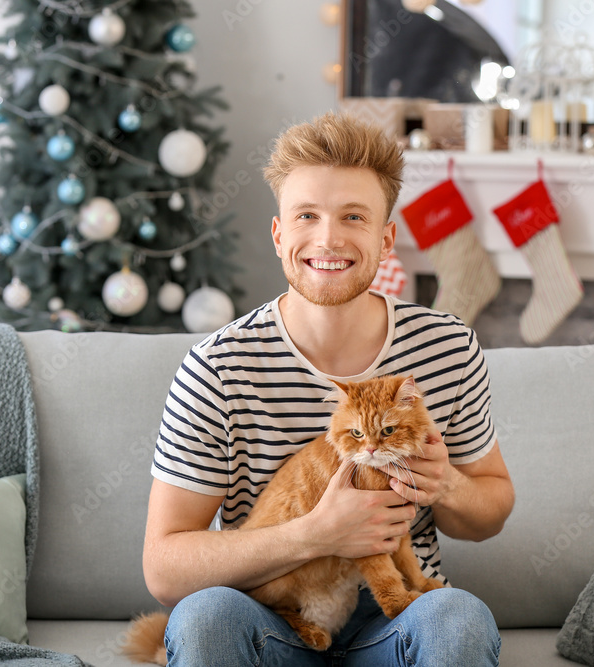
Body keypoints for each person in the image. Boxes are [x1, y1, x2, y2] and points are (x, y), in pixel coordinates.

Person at [142, 112, 515, 666]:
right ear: (279, 234)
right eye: (307, 215)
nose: (328, 238)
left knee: (459, 616)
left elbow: (490, 512)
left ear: (386, 238)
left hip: (398, 621)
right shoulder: (217, 367)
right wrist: (315, 535)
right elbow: (164, 569)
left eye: (354, 216)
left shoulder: (448, 347)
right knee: (203, 617)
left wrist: (448, 486)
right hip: (275, 615)